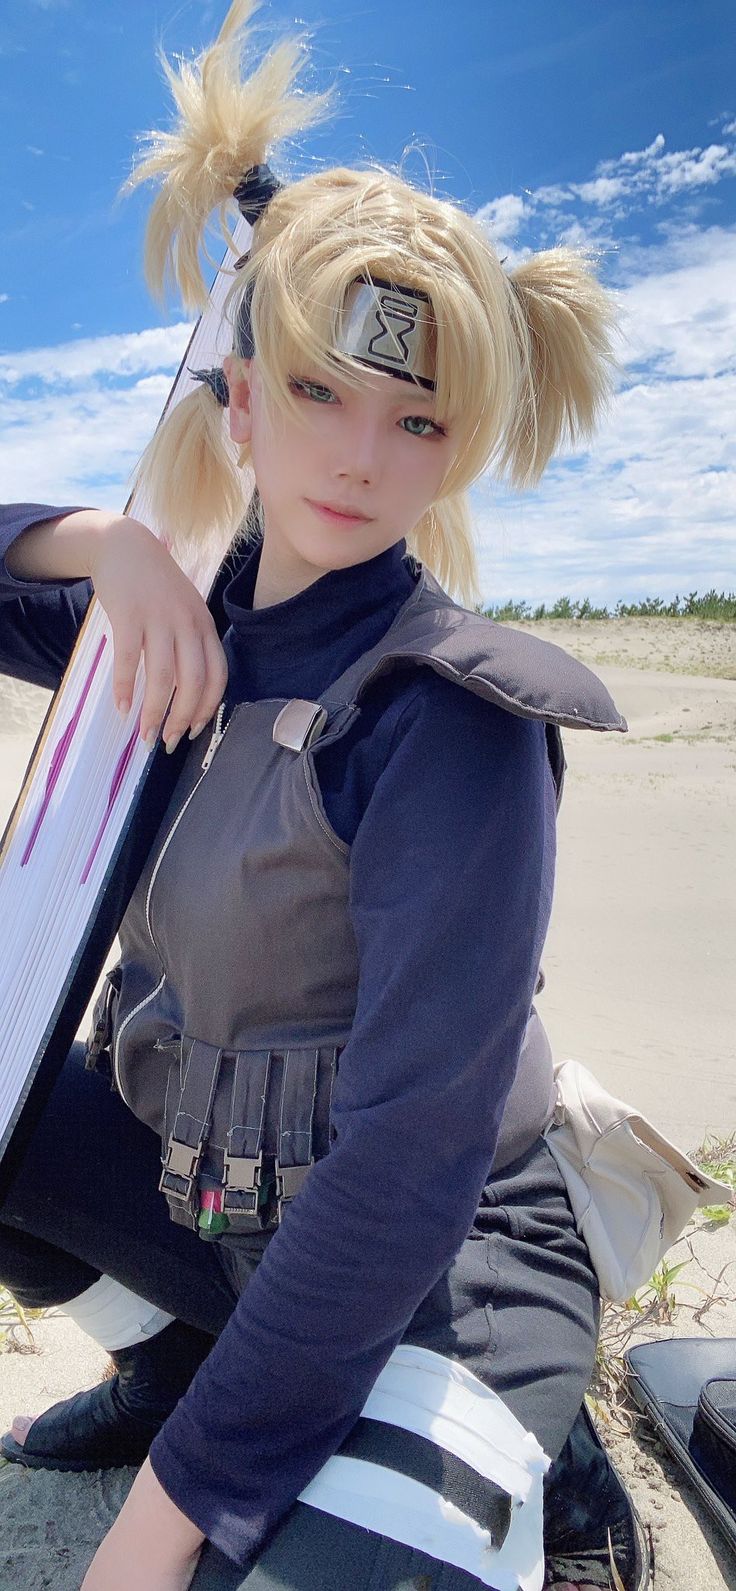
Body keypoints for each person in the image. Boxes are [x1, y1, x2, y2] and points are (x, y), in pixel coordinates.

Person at [0, 3, 647, 1587]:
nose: (362, 455)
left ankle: (532, 1454)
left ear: (455, 456)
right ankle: (169, 1363)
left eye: (417, 420)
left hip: (442, 1250)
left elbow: (410, 1167)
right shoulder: (161, 626)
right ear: (237, 396)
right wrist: (106, 546)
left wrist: (165, 1530)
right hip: (209, 1192)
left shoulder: (451, 717)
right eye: (317, 393)